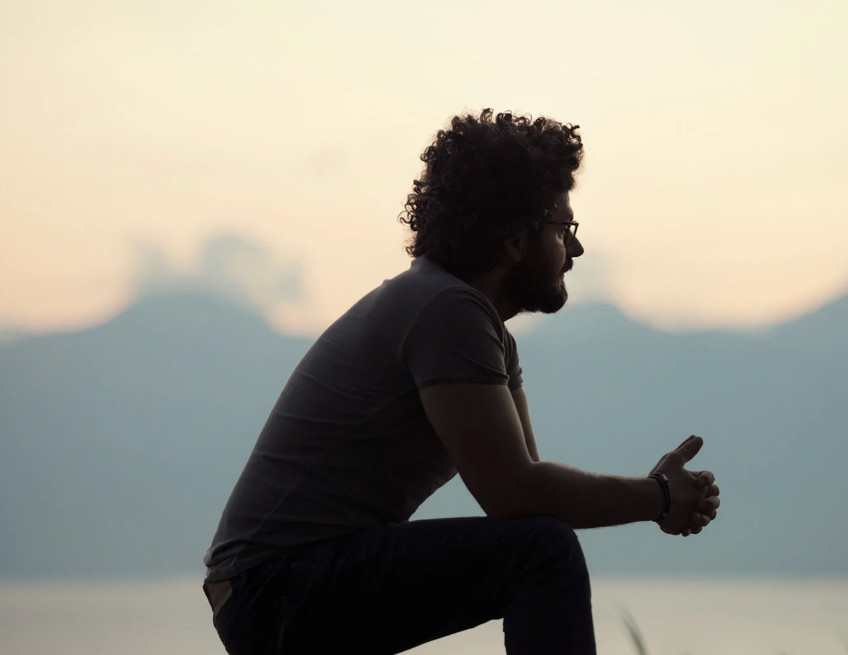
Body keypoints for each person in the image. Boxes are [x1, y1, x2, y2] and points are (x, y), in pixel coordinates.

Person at [201, 109, 721, 655]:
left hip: (278, 585)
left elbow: (528, 497)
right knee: (542, 552)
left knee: (539, 541)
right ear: (518, 238)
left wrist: (655, 495)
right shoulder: (446, 310)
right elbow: (516, 495)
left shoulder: (474, 324)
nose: (577, 250)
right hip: (274, 585)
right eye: (564, 229)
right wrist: (659, 497)